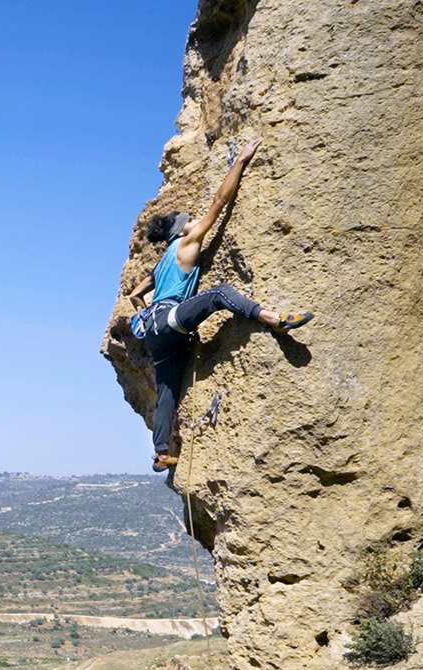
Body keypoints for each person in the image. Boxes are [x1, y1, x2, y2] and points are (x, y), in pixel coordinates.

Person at [125, 138, 313, 472]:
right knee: (219, 294)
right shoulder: (187, 243)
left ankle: (161, 452)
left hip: (155, 330)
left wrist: (143, 313)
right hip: (169, 318)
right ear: (183, 230)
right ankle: (274, 319)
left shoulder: (163, 262)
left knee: (166, 390)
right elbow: (220, 202)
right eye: (189, 220)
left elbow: (135, 294)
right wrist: (240, 161)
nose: (194, 221)